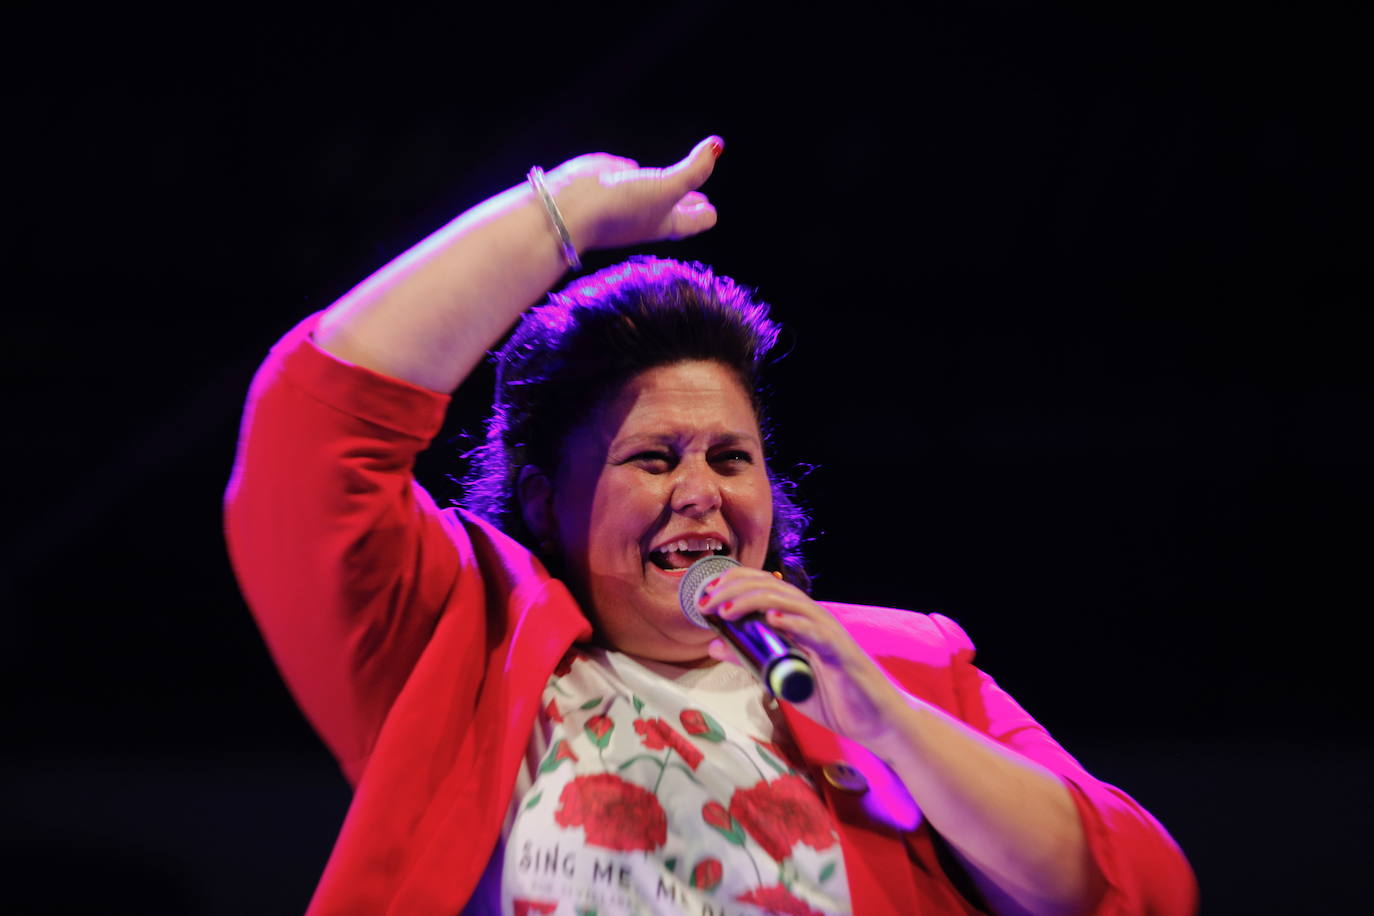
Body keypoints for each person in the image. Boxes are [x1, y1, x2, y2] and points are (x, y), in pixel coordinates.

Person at [225, 137, 1196, 915]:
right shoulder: (462, 643)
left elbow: (1135, 888)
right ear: (539, 498)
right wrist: (562, 213)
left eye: (731, 458)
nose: (702, 491)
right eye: (654, 458)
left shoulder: (899, 665)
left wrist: (889, 723)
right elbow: (311, 428)